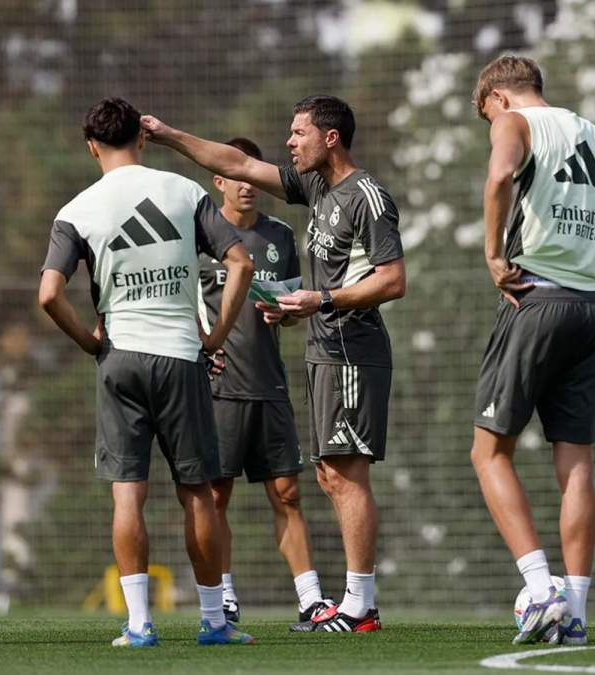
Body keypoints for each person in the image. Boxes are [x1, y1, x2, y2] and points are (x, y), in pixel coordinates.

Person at [143, 94, 406, 634]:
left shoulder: (367, 196)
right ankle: (348, 601)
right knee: (330, 475)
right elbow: (237, 163)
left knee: (346, 474)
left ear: (330, 138)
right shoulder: (317, 188)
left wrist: (321, 300)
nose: (289, 142)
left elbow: (393, 280)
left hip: (352, 350)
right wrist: (168, 135)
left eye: (298, 132)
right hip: (323, 350)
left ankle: (360, 605)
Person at [466, 55, 595, 645]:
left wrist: (492, 256)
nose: (491, 127)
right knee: (576, 461)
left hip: (535, 299)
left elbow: (500, 177)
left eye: (486, 116)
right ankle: (577, 613)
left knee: (489, 453)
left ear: (498, 98)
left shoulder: (515, 123)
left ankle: (541, 590)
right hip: (589, 309)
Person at [39, 98, 255, 647]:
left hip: (120, 359)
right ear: (141, 137)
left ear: (92, 146)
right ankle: (214, 622)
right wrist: (216, 336)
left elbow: (48, 294)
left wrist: (90, 342)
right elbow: (241, 263)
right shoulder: (183, 191)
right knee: (198, 494)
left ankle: (138, 624)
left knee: (127, 495)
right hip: (181, 357)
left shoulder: (76, 210)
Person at [198, 137, 332, 627]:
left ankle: (310, 598)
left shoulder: (279, 235)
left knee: (288, 492)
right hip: (217, 388)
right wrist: (200, 347)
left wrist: (286, 314)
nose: (246, 185)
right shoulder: (199, 236)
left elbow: (291, 308)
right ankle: (224, 596)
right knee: (216, 495)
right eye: (236, 177)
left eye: (251, 175)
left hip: (269, 384)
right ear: (219, 181)